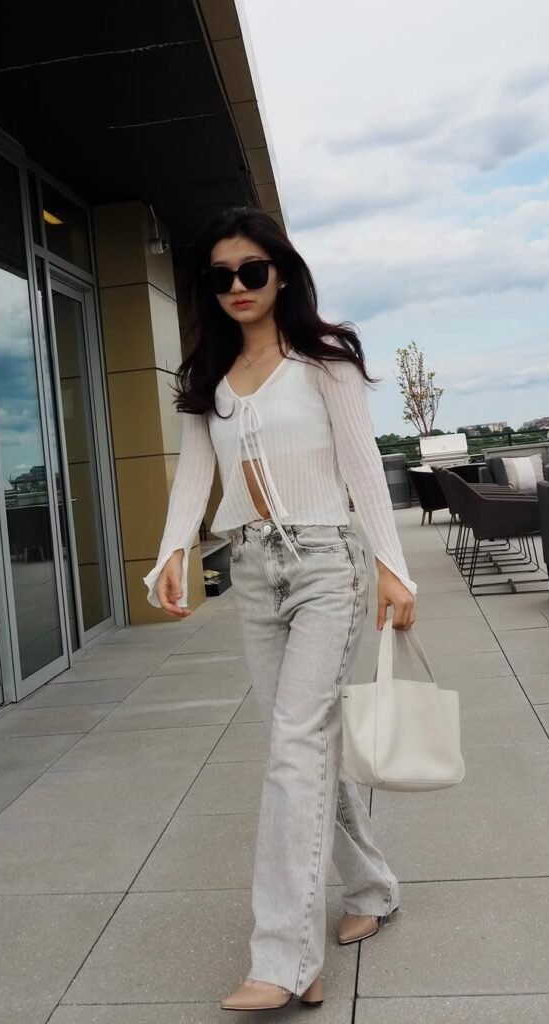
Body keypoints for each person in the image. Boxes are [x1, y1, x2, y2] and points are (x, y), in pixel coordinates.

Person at [143, 207, 416, 1012]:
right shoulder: (209, 378)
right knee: (297, 744)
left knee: (295, 748)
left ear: (281, 274)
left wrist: (393, 569)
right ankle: (371, 887)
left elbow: (362, 467)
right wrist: (171, 552)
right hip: (254, 570)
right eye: (219, 276)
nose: (236, 286)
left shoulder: (325, 360)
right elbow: (196, 474)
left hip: (327, 564)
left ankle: (285, 959)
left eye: (251, 271)